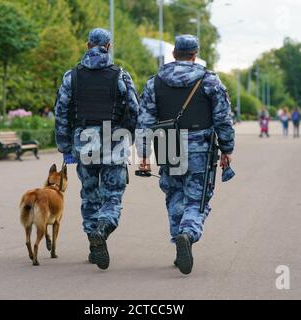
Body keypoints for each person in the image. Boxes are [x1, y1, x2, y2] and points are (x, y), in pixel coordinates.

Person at [136, 35, 235, 275]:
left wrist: (143, 155)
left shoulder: (154, 83)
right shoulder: (210, 81)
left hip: (167, 144)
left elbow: (144, 121)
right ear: (195, 54)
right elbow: (223, 118)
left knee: (174, 195)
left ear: (174, 54)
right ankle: (187, 235)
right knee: (196, 198)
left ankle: (178, 242)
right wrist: (227, 149)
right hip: (200, 147)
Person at [54, 28, 139, 270]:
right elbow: (134, 109)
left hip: (84, 141)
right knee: (112, 195)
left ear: (87, 45)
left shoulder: (72, 77)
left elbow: (61, 112)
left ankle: (93, 244)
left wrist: (64, 144)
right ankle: (103, 227)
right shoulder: (121, 75)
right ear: (108, 46)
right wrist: (129, 135)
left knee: (90, 194)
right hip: (114, 140)